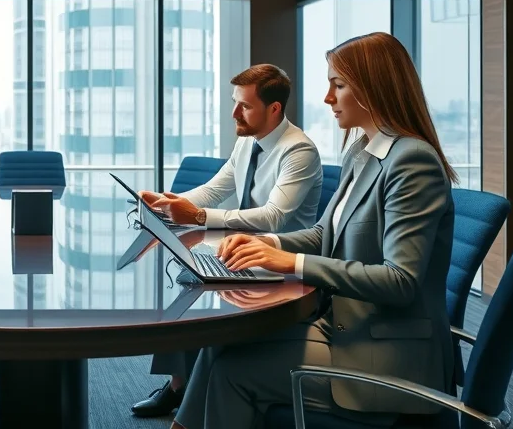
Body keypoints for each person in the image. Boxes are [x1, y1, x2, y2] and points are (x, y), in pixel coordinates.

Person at [171, 31, 456, 429]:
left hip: (388, 354)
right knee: (218, 343)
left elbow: (400, 280)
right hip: (346, 325)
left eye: (338, 85)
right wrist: (264, 244)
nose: (327, 98)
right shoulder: (363, 153)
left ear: (373, 89)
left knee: (232, 373)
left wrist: (291, 262)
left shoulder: (411, 163)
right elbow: (325, 235)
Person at [131, 64, 323, 417]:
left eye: (244, 106)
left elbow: (272, 216)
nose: (234, 112)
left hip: (282, 269)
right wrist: (170, 203)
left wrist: (199, 218)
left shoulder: (299, 151)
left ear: (274, 109)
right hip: (245, 253)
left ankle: (188, 391)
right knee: (187, 278)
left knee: (196, 285)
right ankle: (179, 385)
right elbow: (215, 189)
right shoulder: (247, 142)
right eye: (235, 103)